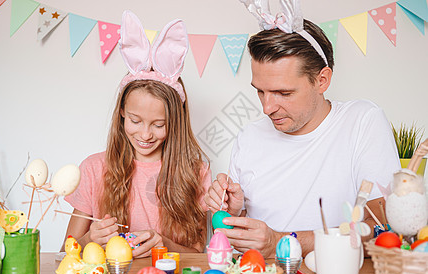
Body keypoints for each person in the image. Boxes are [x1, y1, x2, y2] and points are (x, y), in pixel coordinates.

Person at [205, 1, 400, 258]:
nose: (267, 108)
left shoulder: (362, 122)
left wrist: (282, 242)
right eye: (260, 91)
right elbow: (237, 239)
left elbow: (385, 230)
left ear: (322, 80)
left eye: (283, 93)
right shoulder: (249, 136)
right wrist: (235, 213)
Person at [62, 11, 211, 257]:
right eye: (135, 120)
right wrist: (90, 239)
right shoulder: (93, 169)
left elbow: (200, 256)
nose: (145, 134)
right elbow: (63, 254)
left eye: (159, 124)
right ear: (121, 112)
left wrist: (163, 243)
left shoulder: (196, 172)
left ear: (176, 122)